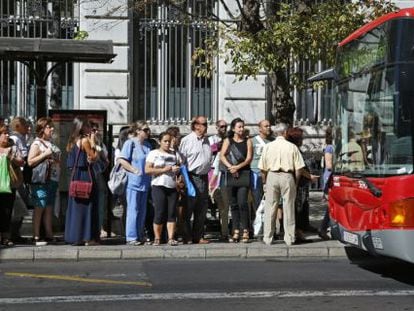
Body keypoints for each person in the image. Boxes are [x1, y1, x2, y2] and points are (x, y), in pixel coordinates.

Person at [258, 123, 305, 246]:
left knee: (270, 208)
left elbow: (262, 168)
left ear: (275, 133)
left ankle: (268, 237)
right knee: (288, 207)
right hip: (287, 175)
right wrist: (295, 180)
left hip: (272, 176)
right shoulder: (292, 147)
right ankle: (289, 238)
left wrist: (264, 181)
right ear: (285, 133)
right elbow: (299, 168)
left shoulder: (268, 147)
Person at [65, 117, 100, 246]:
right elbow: (93, 157)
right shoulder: (85, 140)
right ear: (82, 127)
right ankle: (88, 237)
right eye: (88, 126)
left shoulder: (72, 141)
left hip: (76, 177)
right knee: (88, 206)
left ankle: (76, 236)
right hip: (86, 175)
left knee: (77, 207)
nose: (90, 128)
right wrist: (93, 142)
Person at [27, 117, 61, 246]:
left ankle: (49, 234)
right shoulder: (37, 144)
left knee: (48, 207)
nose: (52, 129)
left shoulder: (50, 142)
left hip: (52, 179)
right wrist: (45, 154)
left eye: (52, 126)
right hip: (41, 180)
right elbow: (30, 161)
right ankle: (36, 236)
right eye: (49, 127)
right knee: (39, 207)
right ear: (42, 129)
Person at [179, 116, 212, 244]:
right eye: (203, 124)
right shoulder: (187, 140)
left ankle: (198, 236)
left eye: (206, 124)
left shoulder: (207, 140)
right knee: (188, 208)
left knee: (202, 208)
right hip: (191, 176)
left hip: (204, 176)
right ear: (196, 126)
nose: (206, 126)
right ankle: (186, 236)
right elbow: (181, 160)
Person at [118, 121, 151, 245]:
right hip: (133, 182)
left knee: (142, 210)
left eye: (148, 130)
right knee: (133, 209)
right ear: (138, 131)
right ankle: (131, 237)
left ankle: (140, 235)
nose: (148, 132)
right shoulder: (130, 143)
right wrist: (134, 170)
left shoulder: (148, 145)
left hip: (145, 182)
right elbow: (122, 160)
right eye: (145, 129)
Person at [220, 118, 253, 243]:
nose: (241, 129)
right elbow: (222, 155)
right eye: (239, 127)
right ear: (233, 128)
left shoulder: (248, 141)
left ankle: (245, 230)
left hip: (243, 174)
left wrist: (237, 167)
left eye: (242, 126)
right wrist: (230, 167)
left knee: (243, 203)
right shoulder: (227, 141)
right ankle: (235, 231)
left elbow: (249, 158)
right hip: (231, 175)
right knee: (233, 204)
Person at [145, 132, 181, 246]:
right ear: (160, 141)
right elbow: (147, 170)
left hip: (172, 186)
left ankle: (170, 238)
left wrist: (177, 171)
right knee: (159, 212)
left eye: (169, 141)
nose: (167, 143)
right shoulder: (154, 153)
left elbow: (179, 168)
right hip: (158, 185)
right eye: (165, 141)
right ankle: (157, 238)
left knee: (171, 213)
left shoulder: (174, 154)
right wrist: (164, 169)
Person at [286, 127, 319, 243]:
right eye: (301, 137)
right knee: (297, 207)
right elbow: (298, 167)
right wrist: (310, 176)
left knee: (302, 206)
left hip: (300, 183)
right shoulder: (293, 149)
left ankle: (302, 227)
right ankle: (298, 232)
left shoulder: (294, 148)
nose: (302, 140)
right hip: (297, 182)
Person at [0, 125, 24, 247]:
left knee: (7, 211)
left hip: (9, 185)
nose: (7, 135)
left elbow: (22, 162)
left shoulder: (13, 148)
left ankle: (5, 237)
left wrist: (11, 157)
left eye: (7, 132)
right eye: (4, 133)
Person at [9, 117, 30, 244]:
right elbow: (20, 158)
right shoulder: (15, 139)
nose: (28, 127)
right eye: (25, 125)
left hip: (20, 177)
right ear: (18, 126)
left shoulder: (21, 138)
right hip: (17, 177)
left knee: (21, 206)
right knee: (18, 206)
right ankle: (13, 233)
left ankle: (15, 232)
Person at [250, 119, 273, 237]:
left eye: (269, 126)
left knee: (268, 202)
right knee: (257, 201)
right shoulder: (252, 141)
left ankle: (267, 227)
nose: (268, 128)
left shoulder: (273, 141)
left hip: (269, 174)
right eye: (266, 126)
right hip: (255, 173)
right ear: (260, 128)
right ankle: (256, 227)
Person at [208, 120, 229, 240]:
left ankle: (224, 232)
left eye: (226, 126)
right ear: (217, 127)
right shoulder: (211, 139)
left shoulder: (229, 139)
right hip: (211, 173)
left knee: (223, 206)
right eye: (221, 126)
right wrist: (217, 146)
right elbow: (208, 152)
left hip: (222, 174)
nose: (224, 129)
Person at [319, 128, 334, 240]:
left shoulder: (335, 146)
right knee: (331, 205)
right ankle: (323, 228)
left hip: (333, 178)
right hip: (330, 178)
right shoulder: (330, 147)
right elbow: (329, 165)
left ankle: (325, 228)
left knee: (331, 205)